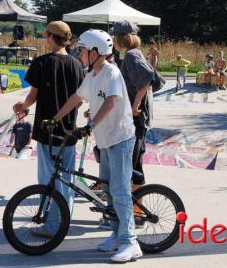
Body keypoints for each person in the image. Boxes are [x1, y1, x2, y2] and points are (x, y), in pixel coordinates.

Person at [53, 29, 142, 263]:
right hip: (105, 141)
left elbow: (112, 102)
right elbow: (76, 98)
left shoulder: (111, 73)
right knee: (108, 190)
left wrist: (90, 123)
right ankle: (116, 234)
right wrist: (55, 118)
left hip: (121, 139)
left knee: (121, 190)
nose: (79, 54)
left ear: (95, 52)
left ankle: (130, 242)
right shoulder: (91, 74)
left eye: (82, 50)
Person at [13, 21, 84, 237]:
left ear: (51, 38)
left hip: (47, 130)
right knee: (67, 179)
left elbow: (32, 95)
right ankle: (63, 221)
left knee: (48, 179)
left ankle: (53, 226)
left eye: (46, 36)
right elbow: (80, 99)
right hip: (69, 130)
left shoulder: (42, 62)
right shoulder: (76, 64)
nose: (45, 40)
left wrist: (22, 107)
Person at [111, 21, 153, 194]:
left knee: (132, 162)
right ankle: (136, 205)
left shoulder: (131, 55)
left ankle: (135, 207)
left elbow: (147, 79)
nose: (113, 40)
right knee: (135, 161)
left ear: (123, 38)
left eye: (114, 37)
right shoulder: (135, 54)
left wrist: (135, 106)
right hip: (139, 117)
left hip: (137, 117)